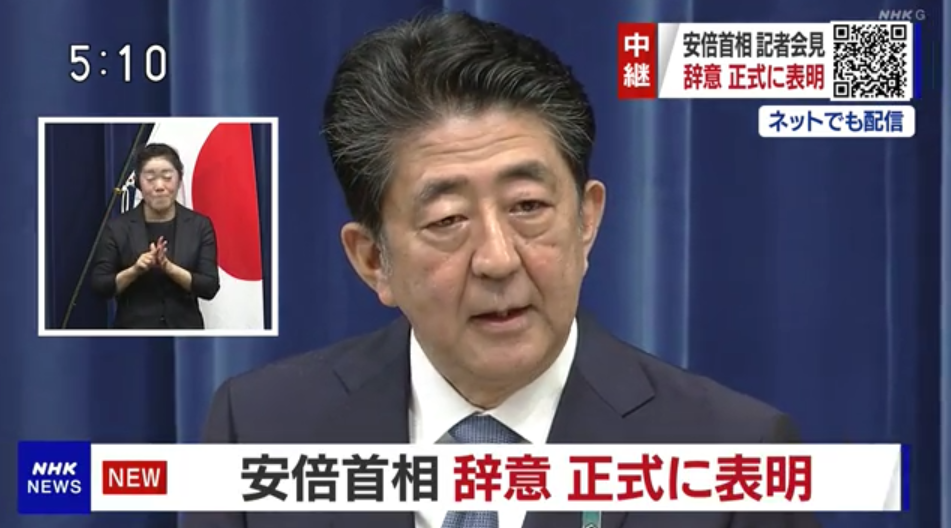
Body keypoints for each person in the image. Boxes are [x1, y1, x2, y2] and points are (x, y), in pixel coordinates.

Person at [186, 11, 819, 528]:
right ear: (373, 260)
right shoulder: (261, 429)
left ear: (587, 220)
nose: (497, 259)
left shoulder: (734, 456)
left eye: (528, 207)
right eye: (447, 220)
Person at [90, 143, 220, 329]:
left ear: (179, 180)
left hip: (185, 333)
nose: (159, 186)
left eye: (167, 177)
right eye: (150, 178)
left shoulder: (199, 225)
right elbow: (100, 286)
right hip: (134, 332)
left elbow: (209, 287)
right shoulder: (117, 228)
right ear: (138, 183)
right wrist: (135, 270)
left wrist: (169, 268)